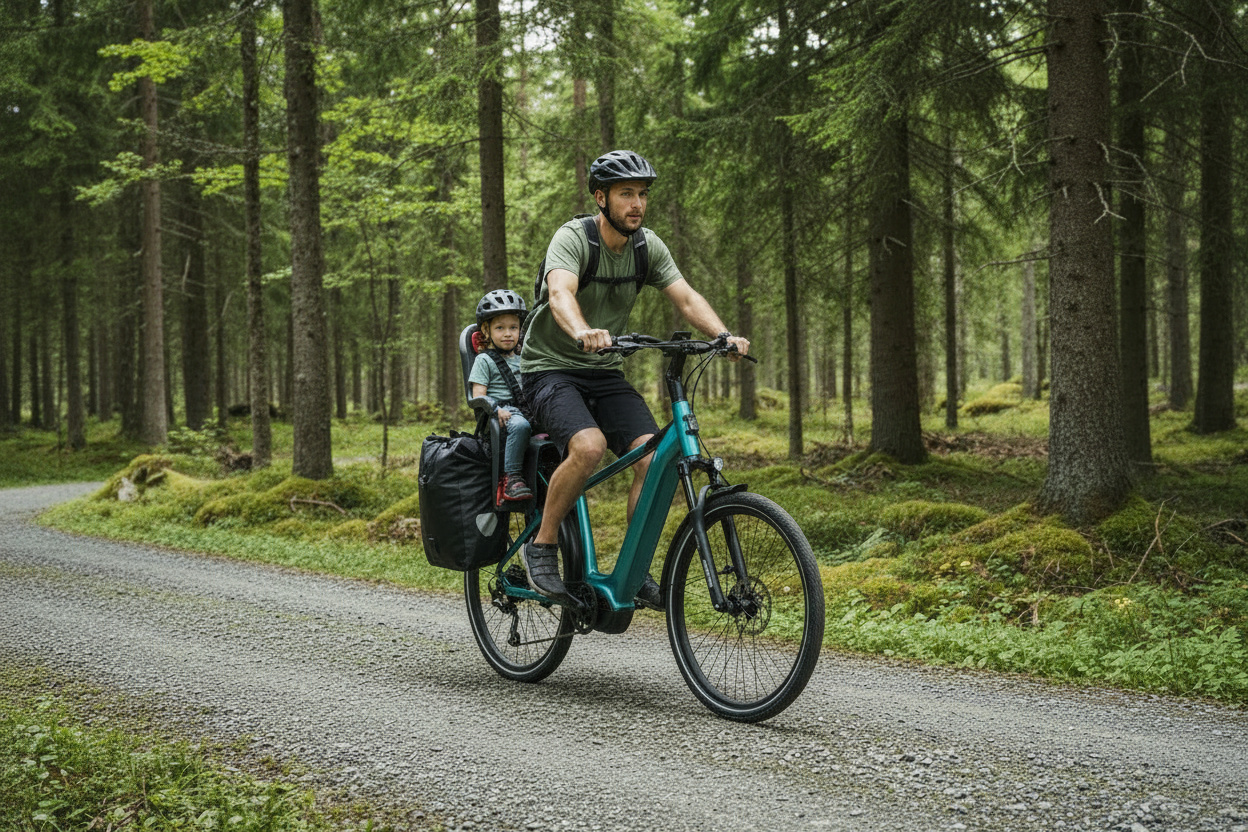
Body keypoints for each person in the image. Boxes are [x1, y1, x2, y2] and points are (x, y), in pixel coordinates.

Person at [519, 149, 749, 607]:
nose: (637, 204)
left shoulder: (647, 246)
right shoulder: (574, 238)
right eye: (627, 194)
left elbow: (685, 297)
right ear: (601, 198)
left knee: (652, 458)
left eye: (642, 194)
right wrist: (583, 330)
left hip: (604, 371)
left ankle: (632, 567)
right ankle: (541, 545)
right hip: (549, 368)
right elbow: (560, 292)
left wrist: (722, 335)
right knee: (588, 447)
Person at [469, 290, 534, 502]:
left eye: (513, 328)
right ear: (486, 331)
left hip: (526, 408)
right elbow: (478, 395)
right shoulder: (484, 360)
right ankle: (511, 479)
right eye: (500, 328)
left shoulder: (524, 358)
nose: (508, 333)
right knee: (520, 426)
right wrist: (496, 410)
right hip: (500, 413)